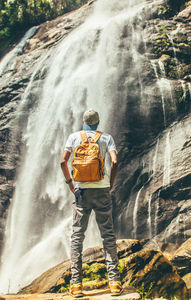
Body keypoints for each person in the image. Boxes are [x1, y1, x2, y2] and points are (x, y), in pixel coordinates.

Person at [60, 109, 122, 298]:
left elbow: (63, 161)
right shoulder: (106, 138)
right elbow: (115, 161)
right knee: (108, 236)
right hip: (102, 190)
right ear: (98, 122)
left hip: (81, 191)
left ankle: (77, 285)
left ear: (84, 122)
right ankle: (114, 283)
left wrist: (71, 183)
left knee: (77, 236)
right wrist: (110, 184)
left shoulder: (73, 137)